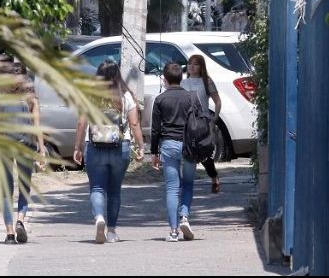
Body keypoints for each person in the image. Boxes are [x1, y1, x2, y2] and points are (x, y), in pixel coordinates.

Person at [73, 61, 146, 244]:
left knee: (97, 188)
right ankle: (112, 231)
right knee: (114, 191)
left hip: (95, 147)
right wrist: (141, 146)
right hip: (120, 147)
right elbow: (135, 124)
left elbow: (82, 123)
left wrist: (77, 148)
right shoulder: (126, 96)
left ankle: (99, 218)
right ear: (117, 75)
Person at [0, 62, 46, 245]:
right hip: (26, 145)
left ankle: (9, 233)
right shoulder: (31, 97)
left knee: (6, 190)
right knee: (24, 187)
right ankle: (20, 220)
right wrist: (41, 149)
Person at [151, 62, 197, 242]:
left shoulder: (160, 99)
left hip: (169, 145)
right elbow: (201, 122)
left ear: (165, 79)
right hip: (189, 145)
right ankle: (184, 216)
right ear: (181, 78)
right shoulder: (191, 98)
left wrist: (154, 153)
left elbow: (155, 130)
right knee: (188, 183)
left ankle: (173, 231)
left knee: (172, 188)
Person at [181, 54, 223, 193]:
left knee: (204, 153)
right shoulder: (183, 83)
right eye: (190, 64)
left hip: (203, 122)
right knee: (187, 151)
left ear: (201, 67)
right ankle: (185, 181)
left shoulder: (207, 81)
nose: (192, 66)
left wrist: (214, 118)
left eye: (196, 64)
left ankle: (214, 177)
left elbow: (217, 100)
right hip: (187, 123)